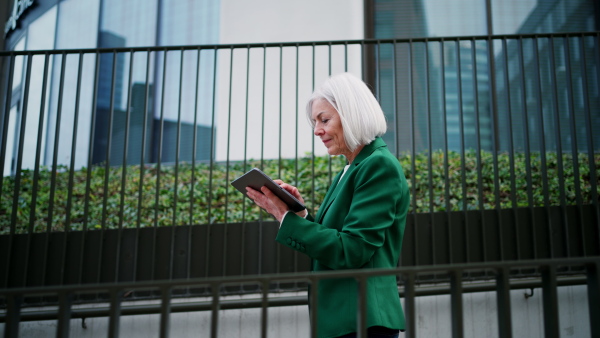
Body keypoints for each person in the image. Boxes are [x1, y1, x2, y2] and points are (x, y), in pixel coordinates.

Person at [246, 72, 409, 338]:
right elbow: (337, 240)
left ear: (352, 113)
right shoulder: (351, 168)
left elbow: (352, 250)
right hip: (347, 319)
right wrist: (299, 213)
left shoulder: (378, 165)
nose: (317, 130)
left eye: (324, 119)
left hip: (363, 320)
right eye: (314, 122)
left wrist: (285, 217)